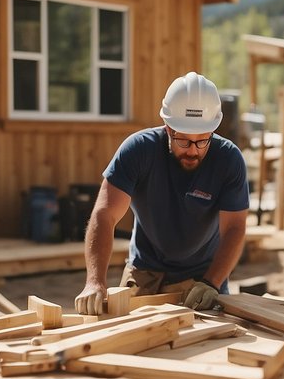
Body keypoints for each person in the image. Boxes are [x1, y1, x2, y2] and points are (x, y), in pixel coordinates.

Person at [75, 72, 248, 314]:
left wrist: (211, 283)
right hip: (145, 271)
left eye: (202, 141)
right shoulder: (138, 150)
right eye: (184, 141)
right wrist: (95, 281)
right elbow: (104, 214)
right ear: (168, 128)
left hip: (203, 276)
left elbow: (234, 228)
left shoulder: (229, 159)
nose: (193, 151)